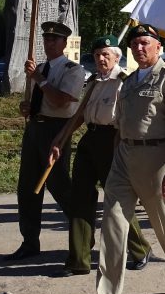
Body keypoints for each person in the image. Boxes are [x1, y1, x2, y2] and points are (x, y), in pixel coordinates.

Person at [76, 23, 165, 294]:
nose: (139, 48)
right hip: (124, 157)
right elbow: (121, 125)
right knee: (113, 225)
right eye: (135, 44)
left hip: (156, 158)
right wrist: (117, 154)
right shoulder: (127, 83)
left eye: (145, 43)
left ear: (157, 47)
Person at [48, 35, 152, 277]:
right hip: (90, 140)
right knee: (80, 198)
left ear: (117, 57)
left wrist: (121, 147)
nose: (101, 59)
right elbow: (81, 114)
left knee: (116, 200)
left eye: (106, 54)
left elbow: (129, 118)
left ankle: (139, 249)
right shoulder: (94, 81)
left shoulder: (125, 82)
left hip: (113, 141)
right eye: (97, 55)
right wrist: (61, 138)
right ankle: (79, 259)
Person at [7, 21, 83, 261]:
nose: (49, 43)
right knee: (27, 188)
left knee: (59, 185)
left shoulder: (72, 70)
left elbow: (61, 101)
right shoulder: (38, 68)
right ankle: (30, 241)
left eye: (54, 40)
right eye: (46, 39)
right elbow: (34, 101)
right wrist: (26, 107)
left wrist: (39, 79)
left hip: (57, 129)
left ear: (64, 43)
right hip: (35, 128)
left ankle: (82, 234)